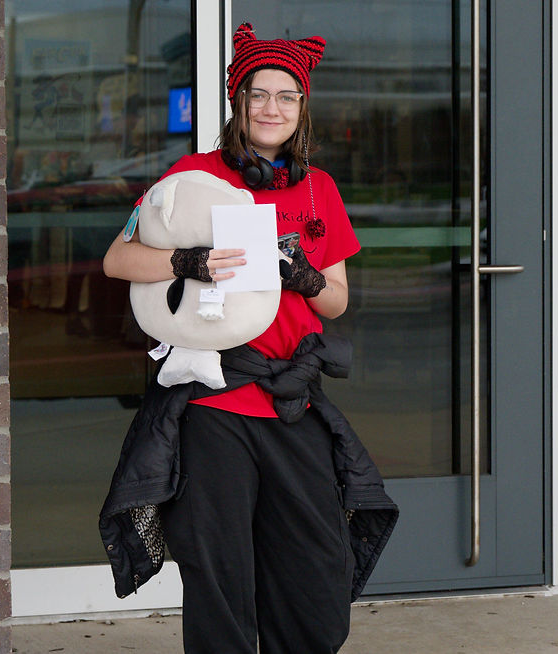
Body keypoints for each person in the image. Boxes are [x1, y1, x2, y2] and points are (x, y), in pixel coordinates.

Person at [100, 22, 397, 654]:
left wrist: (305, 276)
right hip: (215, 399)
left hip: (292, 399)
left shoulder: (320, 190)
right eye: (259, 93)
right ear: (239, 101)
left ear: (301, 107)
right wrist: (188, 261)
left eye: (286, 96)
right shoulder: (192, 176)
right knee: (218, 568)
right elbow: (118, 260)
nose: (271, 107)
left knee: (315, 563)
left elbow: (337, 301)